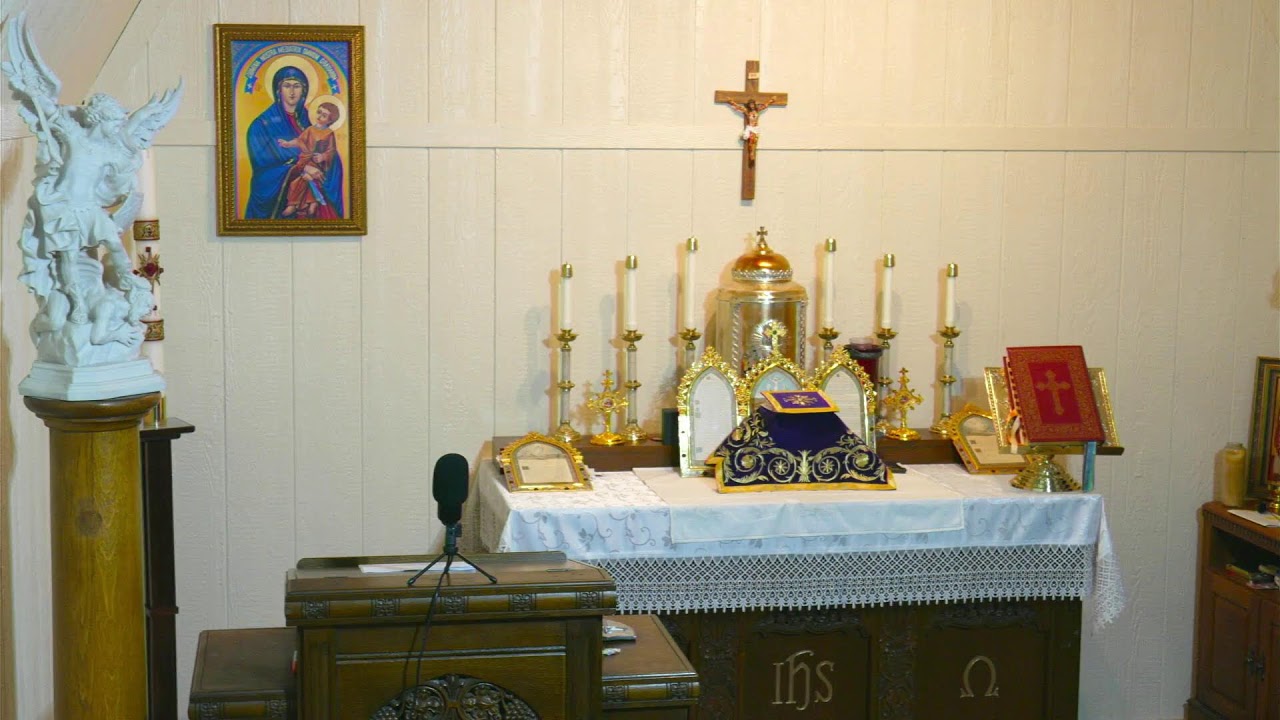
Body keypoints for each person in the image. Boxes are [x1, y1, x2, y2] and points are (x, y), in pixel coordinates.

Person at [243, 65, 345, 219]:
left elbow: (332, 155)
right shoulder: (262, 124)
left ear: (304, 90)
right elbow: (262, 164)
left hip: (316, 184)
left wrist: (323, 159)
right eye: (287, 86)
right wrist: (302, 168)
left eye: (297, 86)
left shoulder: (313, 120)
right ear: (278, 90)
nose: (292, 92)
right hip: (279, 195)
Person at [275, 101, 339, 218]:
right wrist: (288, 144)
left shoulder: (329, 133)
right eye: (319, 112)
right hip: (304, 160)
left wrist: (322, 156)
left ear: (330, 120)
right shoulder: (310, 129)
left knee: (303, 180)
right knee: (301, 180)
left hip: (316, 163)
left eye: (324, 115)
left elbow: (331, 151)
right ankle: (311, 202)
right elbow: (300, 141)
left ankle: (294, 205)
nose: (319, 116)